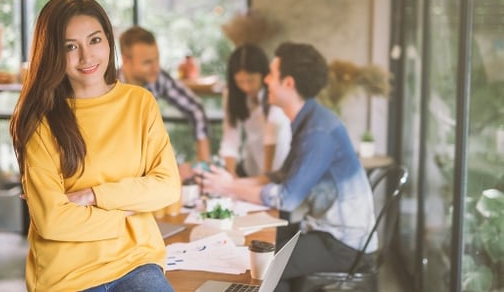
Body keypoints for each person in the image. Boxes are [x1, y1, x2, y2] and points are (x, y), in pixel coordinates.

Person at [9, 0, 180, 292]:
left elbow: (167, 187)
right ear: (52, 52)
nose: (87, 57)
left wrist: (92, 195)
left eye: (95, 40)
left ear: (108, 40)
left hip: (136, 263)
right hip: (66, 277)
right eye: (70, 46)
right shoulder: (40, 120)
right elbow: (53, 222)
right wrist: (127, 212)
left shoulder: (139, 104)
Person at [198, 42, 378, 292]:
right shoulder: (309, 118)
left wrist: (229, 187)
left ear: (288, 83)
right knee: (256, 250)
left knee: (261, 265)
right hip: (324, 231)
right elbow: (282, 175)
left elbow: (287, 198)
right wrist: (231, 185)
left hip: (344, 245)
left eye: (271, 74)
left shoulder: (317, 131)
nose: (266, 81)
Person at [119, 26, 211, 162]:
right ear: (126, 60)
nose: (156, 67)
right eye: (148, 62)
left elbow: (195, 108)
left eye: (157, 59)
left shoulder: (158, 78)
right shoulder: (107, 85)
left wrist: (203, 160)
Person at [219, 43, 291, 177]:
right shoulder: (231, 95)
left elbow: (272, 135)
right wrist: (230, 174)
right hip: (254, 163)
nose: (246, 87)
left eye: (251, 80)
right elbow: (230, 137)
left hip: (280, 159)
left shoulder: (274, 91)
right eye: (240, 82)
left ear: (263, 74)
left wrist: (266, 176)